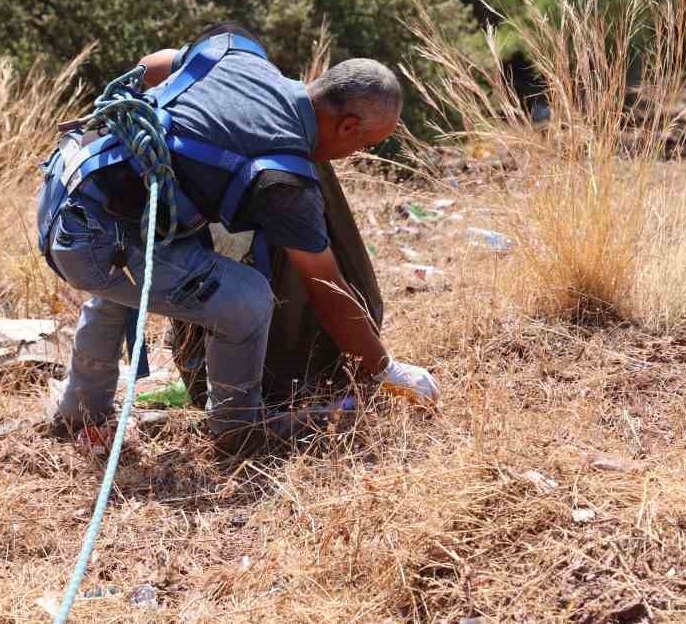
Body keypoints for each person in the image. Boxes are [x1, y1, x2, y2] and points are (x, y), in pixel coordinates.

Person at [36, 23, 438, 452]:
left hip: (68, 184)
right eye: (365, 145)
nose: (356, 155)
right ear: (348, 126)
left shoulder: (240, 54)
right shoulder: (284, 177)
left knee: (129, 272)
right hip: (90, 240)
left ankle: (79, 413)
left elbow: (156, 63)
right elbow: (327, 288)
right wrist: (384, 369)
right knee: (247, 299)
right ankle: (238, 429)